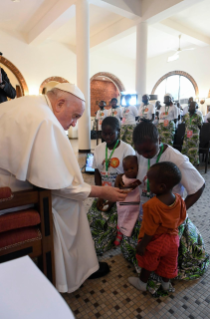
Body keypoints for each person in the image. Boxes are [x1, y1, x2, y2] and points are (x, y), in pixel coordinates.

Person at [0, 83, 128, 293]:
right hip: (9, 198)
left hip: (7, 187)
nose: (74, 124)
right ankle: (69, 274)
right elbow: (60, 185)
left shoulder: (28, 105)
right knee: (69, 203)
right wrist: (100, 191)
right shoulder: (45, 120)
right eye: (75, 116)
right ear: (59, 103)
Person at [119, 121, 209, 297]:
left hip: (168, 223)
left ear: (159, 139)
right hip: (147, 216)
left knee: (167, 253)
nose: (144, 155)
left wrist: (177, 212)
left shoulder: (176, 159)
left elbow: (199, 186)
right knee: (134, 248)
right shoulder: (140, 155)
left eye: (148, 151)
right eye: (140, 151)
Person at [128, 162, 186, 292]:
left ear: (161, 187)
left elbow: (149, 230)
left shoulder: (151, 205)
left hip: (156, 242)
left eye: (150, 182)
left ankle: (142, 284)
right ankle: (166, 285)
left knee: (148, 263)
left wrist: (142, 245)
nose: (147, 184)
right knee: (169, 263)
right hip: (173, 240)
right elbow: (182, 218)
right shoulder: (179, 199)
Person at [87, 116, 135, 255]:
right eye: (104, 133)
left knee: (108, 228)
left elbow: (130, 179)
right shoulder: (98, 149)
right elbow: (97, 172)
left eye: (111, 133)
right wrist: (100, 194)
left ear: (118, 131)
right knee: (90, 220)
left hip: (121, 196)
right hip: (103, 193)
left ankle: (109, 238)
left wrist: (113, 198)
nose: (107, 137)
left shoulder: (127, 150)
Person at [115, 156, 140, 243]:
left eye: (132, 168)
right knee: (122, 217)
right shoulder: (122, 178)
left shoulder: (139, 178)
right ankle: (120, 231)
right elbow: (118, 188)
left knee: (131, 220)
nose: (129, 171)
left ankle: (126, 233)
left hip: (135, 205)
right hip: (123, 204)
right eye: (126, 169)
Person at [182, 101, 203, 166]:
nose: (190, 107)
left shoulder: (198, 116)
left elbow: (200, 126)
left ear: (196, 107)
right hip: (187, 135)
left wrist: (194, 129)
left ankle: (194, 163)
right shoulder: (185, 116)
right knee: (185, 148)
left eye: (192, 106)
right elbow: (183, 124)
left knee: (193, 150)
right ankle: (185, 162)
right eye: (190, 106)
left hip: (194, 136)